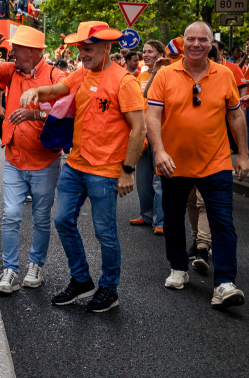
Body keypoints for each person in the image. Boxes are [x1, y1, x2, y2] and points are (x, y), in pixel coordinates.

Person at [21, 21, 145, 313]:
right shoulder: (81, 74)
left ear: (107, 47)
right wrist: (38, 92)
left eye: (88, 49)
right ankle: (81, 280)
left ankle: (109, 288)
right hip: (75, 165)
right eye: (80, 49)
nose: (83, 55)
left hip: (105, 171)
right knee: (63, 220)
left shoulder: (124, 82)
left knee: (105, 233)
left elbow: (138, 130)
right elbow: (57, 89)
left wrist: (127, 170)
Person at [147, 21, 248, 308]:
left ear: (211, 44)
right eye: (190, 39)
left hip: (216, 163)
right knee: (173, 217)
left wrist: (243, 154)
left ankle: (224, 283)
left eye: (202, 40)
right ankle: (178, 268)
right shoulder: (165, 75)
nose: (196, 44)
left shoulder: (225, 74)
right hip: (173, 164)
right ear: (183, 42)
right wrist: (159, 151)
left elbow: (236, 117)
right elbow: (152, 117)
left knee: (223, 222)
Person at [0, 26, 66, 293]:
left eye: (16, 49)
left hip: (45, 160)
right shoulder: (11, 71)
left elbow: (66, 114)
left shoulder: (57, 76)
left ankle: (36, 265)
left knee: (42, 217)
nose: (12, 53)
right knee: (10, 215)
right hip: (14, 157)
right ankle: (9, 270)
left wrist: (35, 116)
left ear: (31, 52)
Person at [130, 40, 167, 234]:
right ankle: (146, 215)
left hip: (160, 134)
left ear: (160, 54)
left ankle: (160, 221)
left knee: (158, 179)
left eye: (150, 51)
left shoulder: (168, 75)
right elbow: (139, 100)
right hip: (142, 134)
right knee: (143, 179)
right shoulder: (140, 76)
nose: (145, 55)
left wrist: (156, 72)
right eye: (143, 52)